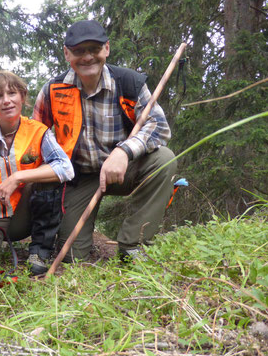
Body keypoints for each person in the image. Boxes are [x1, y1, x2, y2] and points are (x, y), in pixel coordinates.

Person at [33, 20, 177, 262]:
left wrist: (123, 152)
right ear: (67, 53)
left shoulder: (129, 83)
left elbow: (159, 127)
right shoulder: (53, 91)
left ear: (107, 49)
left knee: (164, 160)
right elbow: (35, 137)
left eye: (95, 49)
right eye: (79, 51)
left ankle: (133, 244)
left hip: (124, 169)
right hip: (80, 178)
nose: (88, 57)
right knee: (71, 257)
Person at [0, 71, 74, 276]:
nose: (6, 101)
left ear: (22, 96)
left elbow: (66, 168)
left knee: (48, 178)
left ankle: (39, 252)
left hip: (26, 217)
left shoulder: (39, 132)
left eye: (12, 93)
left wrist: (18, 177)